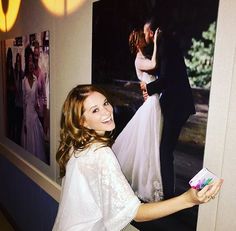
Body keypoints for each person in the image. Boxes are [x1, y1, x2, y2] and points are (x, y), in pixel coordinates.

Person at [52, 84, 222, 231]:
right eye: (95, 110)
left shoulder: (76, 144)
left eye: (105, 103)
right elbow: (137, 213)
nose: (107, 111)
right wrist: (188, 199)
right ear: (82, 122)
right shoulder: (100, 154)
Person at [141, 18, 196, 199]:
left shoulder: (166, 46)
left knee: (165, 150)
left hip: (177, 106)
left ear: (154, 32)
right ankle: (167, 190)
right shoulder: (168, 45)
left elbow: (165, 80)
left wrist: (147, 89)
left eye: (147, 32)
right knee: (165, 149)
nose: (146, 36)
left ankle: (169, 195)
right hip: (178, 104)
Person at [112, 29, 163, 202]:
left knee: (150, 142)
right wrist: (156, 42)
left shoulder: (142, 58)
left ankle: (147, 176)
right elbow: (154, 64)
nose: (144, 39)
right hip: (151, 105)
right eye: (142, 38)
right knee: (147, 144)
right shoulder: (139, 60)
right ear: (137, 43)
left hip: (154, 101)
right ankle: (144, 181)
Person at [21, 45, 47, 163]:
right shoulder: (23, 81)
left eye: (32, 61)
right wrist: (24, 119)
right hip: (27, 113)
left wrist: (38, 105)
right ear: (27, 64)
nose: (31, 64)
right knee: (28, 137)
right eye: (29, 61)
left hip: (35, 112)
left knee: (38, 136)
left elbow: (37, 97)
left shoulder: (37, 79)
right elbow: (24, 101)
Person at [33, 41, 47, 132]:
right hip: (33, 109)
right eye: (35, 55)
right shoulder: (30, 73)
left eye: (37, 55)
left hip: (40, 110)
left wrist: (45, 115)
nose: (36, 58)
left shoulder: (41, 73)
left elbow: (44, 94)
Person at [14, 53, 24, 145]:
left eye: (19, 61)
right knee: (16, 125)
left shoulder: (22, 73)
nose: (18, 62)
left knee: (20, 126)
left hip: (21, 105)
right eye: (17, 61)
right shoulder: (14, 73)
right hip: (15, 103)